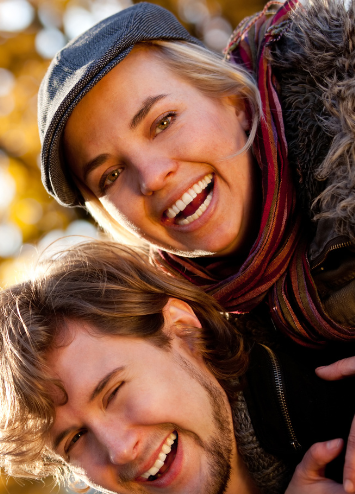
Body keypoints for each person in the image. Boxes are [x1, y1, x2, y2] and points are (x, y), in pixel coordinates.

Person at [0, 239, 355, 494]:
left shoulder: (321, 368)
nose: (119, 450)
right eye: (76, 438)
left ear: (181, 329)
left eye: (114, 392)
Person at [37, 0, 355, 352]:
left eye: (163, 122)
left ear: (235, 101)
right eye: (110, 175)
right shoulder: (190, 357)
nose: (152, 177)